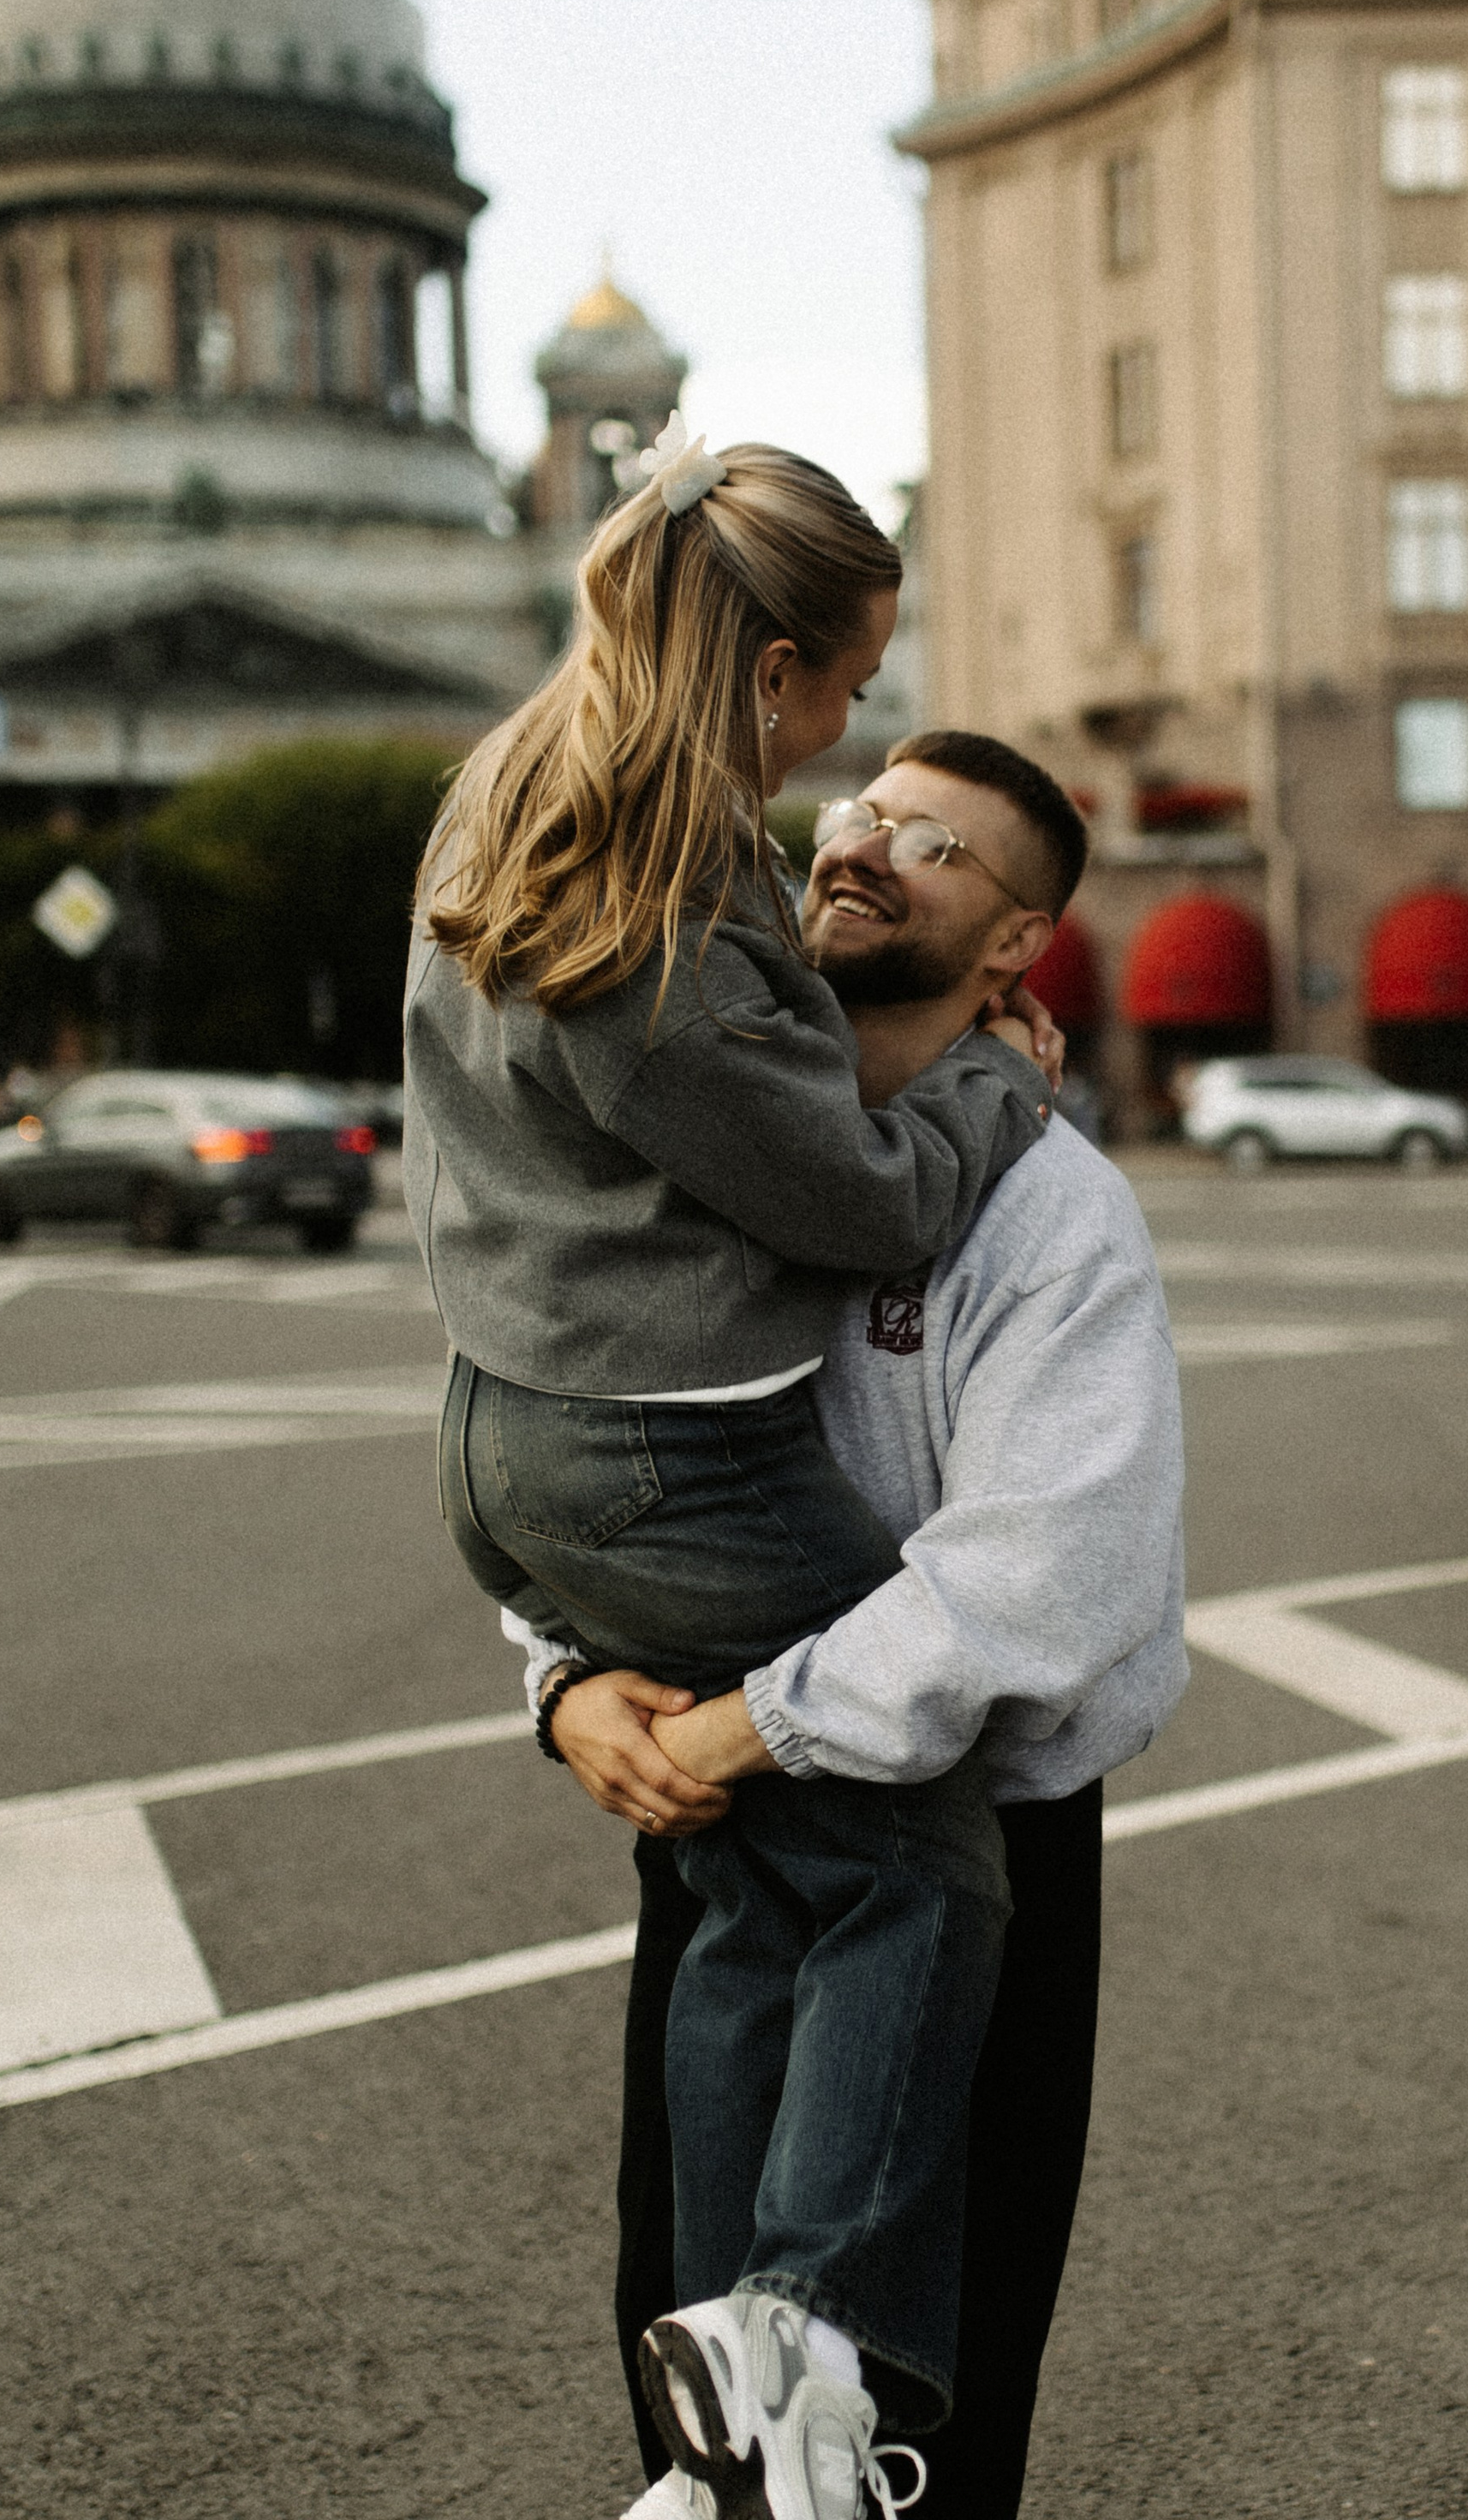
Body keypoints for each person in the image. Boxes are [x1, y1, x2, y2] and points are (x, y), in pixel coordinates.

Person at [405, 427, 1060, 2520]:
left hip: (507, 1429)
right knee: (917, 1859)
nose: (847, 743)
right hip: (660, 1450)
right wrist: (985, 1090)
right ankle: (790, 2352)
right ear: (769, 667)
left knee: (737, 1882)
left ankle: (710, 2423)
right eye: (847, 693)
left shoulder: (515, 798)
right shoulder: (666, 890)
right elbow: (862, 1200)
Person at [518, 730, 1187, 2520]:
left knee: (909, 2403)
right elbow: (580, 1446)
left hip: (975, 1847)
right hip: (714, 1825)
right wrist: (568, 1682)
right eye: (865, 815)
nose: (870, 849)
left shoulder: (1051, 1218)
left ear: (1013, 948)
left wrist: (739, 1725)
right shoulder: (700, 1152)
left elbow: (1046, 1568)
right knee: (685, 2362)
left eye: (940, 851)